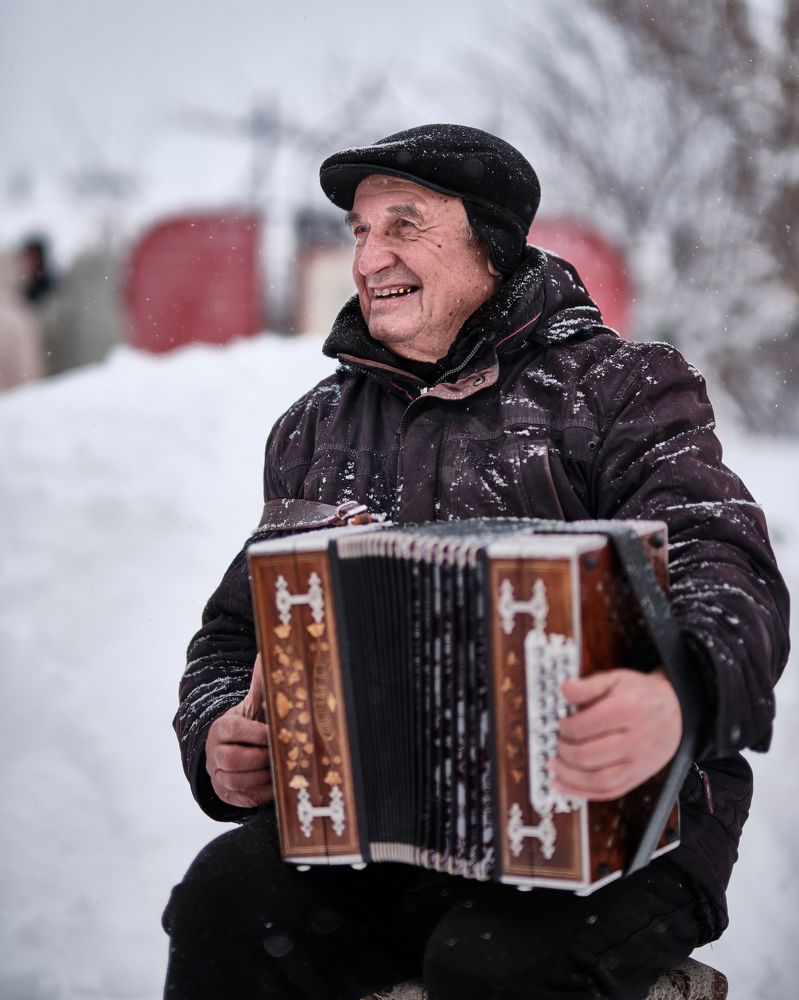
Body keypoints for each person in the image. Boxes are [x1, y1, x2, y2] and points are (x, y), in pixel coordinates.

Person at [163, 124, 789, 1000]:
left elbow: (722, 562)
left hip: (624, 813)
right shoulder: (315, 428)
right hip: (380, 825)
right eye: (359, 231)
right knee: (224, 907)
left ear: (490, 243)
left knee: (492, 963)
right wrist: (217, 735)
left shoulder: (619, 389)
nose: (368, 257)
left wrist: (675, 695)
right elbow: (238, 633)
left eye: (404, 225)